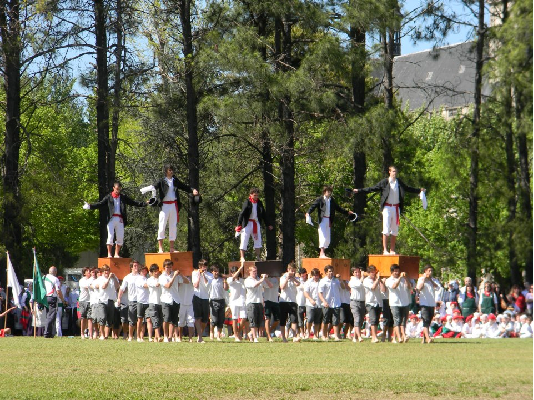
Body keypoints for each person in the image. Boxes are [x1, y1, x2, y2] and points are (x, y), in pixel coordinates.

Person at [353, 166, 425, 254]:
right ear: (389, 172)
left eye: (396, 172)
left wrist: (419, 190)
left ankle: (392, 250)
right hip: (387, 207)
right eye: (393, 171)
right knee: (386, 228)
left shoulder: (399, 182)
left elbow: (408, 188)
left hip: (396, 208)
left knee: (394, 229)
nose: (395, 173)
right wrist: (359, 190)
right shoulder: (385, 182)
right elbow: (372, 188)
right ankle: (385, 250)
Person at [143, 164, 199, 253]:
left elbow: (184, 186)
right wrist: (148, 194)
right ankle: (160, 248)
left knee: (173, 226)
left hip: (173, 205)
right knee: (162, 226)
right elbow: (154, 187)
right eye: (170, 170)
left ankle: (172, 248)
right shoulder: (162, 181)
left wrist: (192, 190)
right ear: (166, 171)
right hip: (164, 206)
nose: (171, 171)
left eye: (172, 170)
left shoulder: (175, 180)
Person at [84, 181, 148, 258]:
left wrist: (144, 203)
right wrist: (90, 206)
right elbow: (100, 204)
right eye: (116, 189)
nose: (118, 191)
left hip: (120, 219)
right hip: (111, 219)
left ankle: (117, 254)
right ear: (113, 188)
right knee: (110, 236)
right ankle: (109, 254)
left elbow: (133, 202)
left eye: (119, 189)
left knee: (120, 237)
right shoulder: (109, 197)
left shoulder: (123, 197)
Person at [305, 186, 355, 258]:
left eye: (330, 191)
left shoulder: (331, 200)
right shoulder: (320, 199)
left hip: (328, 220)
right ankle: (321, 253)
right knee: (322, 236)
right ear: (324, 191)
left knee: (328, 238)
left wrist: (347, 212)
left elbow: (338, 208)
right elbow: (313, 206)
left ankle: (323, 252)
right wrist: (308, 212)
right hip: (322, 220)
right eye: (328, 191)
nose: (329, 193)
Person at [235, 187, 273, 261]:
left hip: (255, 223)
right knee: (244, 239)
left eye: (257, 195)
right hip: (247, 223)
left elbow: (264, 214)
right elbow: (241, 214)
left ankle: (258, 257)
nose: (256, 197)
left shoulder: (259, 203)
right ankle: (242, 257)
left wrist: (268, 224)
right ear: (251, 195)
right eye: (255, 195)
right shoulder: (247, 202)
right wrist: (239, 225)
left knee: (258, 240)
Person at [244, 266, 272, 342]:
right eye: (253, 271)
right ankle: (255, 337)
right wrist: (262, 280)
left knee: (258, 321)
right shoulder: (248, 280)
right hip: (251, 302)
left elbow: (270, 286)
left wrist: (265, 278)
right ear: (249, 272)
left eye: (256, 271)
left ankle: (251, 334)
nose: (255, 273)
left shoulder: (259, 279)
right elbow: (254, 285)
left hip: (259, 302)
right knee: (253, 320)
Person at [385, 264, 412, 343]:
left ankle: (402, 337)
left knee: (403, 321)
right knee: (397, 320)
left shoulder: (404, 279)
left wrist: (406, 278)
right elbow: (394, 286)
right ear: (392, 272)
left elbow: (409, 287)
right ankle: (399, 337)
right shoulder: (389, 280)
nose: (397, 273)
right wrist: (400, 278)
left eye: (398, 271)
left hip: (405, 302)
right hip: (395, 303)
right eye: (395, 271)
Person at [159, 259, 184, 342]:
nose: (169, 269)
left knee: (174, 320)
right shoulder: (162, 277)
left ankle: (171, 336)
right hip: (166, 300)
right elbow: (168, 285)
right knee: (166, 318)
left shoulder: (175, 275)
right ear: (164, 268)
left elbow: (186, 282)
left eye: (170, 267)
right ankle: (165, 336)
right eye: (167, 267)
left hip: (175, 299)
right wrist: (174, 276)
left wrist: (181, 275)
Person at [92, 265, 119, 340]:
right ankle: (102, 335)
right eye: (105, 271)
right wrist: (109, 278)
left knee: (109, 320)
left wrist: (114, 279)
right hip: (102, 300)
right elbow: (104, 286)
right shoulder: (100, 279)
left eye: (108, 270)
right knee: (102, 318)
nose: (107, 272)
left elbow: (117, 287)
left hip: (110, 300)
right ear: (103, 272)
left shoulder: (113, 278)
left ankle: (106, 336)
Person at [318, 265, 344, 341]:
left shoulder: (336, 280)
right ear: (326, 272)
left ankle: (336, 336)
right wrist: (324, 301)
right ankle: (324, 335)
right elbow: (320, 293)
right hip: (327, 303)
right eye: (329, 271)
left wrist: (340, 280)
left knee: (336, 321)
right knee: (325, 320)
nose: (331, 273)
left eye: (332, 271)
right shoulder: (323, 281)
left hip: (336, 303)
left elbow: (342, 287)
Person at [117, 260, 141, 342]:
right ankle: (130, 336)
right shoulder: (127, 277)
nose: (136, 267)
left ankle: (137, 336)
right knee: (132, 320)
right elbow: (122, 288)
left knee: (140, 319)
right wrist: (119, 298)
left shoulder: (141, 277)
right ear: (131, 267)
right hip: (132, 300)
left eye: (137, 265)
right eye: (134, 266)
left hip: (141, 300)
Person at [279, 262, 301, 343]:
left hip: (293, 301)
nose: (293, 272)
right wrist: (287, 279)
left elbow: (298, 284)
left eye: (294, 271)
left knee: (294, 319)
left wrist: (293, 278)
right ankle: (284, 337)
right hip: (283, 301)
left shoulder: (296, 278)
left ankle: (294, 336)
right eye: (291, 270)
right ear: (288, 270)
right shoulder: (282, 277)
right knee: (283, 320)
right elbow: (282, 287)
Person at [43, 266, 68, 338]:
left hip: (45, 298)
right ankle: (47, 333)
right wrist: (63, 300)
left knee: (48, 315)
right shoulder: (55, 279)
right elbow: (58, 291)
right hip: (52, 297)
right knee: (51, 316)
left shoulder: (44, 278)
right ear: (55, 272)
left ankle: (49, 332)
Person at [416, 264, 438, 344]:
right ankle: (428, 338)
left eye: (431, 271)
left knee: (429, 321)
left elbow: (438, 287)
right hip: (424, 303)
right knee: (425, 320)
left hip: (431, 303)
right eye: (429, 270)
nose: (430, 272)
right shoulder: (421, 279)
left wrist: (431, 280)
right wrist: (424, 279)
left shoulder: (434, 280)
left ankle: (424, 339)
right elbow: (419, 288)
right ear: (425, 271)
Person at [192, 260, 212, 343]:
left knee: (205, 320)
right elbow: (195, 285)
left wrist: (203, 275)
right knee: (197, 318)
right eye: (202, 266)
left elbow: (207, 285)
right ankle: (200, 337)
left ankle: (199, 334)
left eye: (205, 266)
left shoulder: (210, 275)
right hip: (196, 296)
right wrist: (199, 275)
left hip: (205, 298)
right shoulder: (194, 273)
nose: (203, 268)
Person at [363, 265, 384, 343]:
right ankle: (374, 337)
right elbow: (372, 287)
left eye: (374, 272)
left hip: (378, 302)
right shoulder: (366, 280)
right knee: (373, 319)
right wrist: (377, 279)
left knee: (377, 320)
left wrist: (380, 281)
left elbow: (383, 290)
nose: (374, 274)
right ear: (368, 273)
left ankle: (374, 337)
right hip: (370, 302)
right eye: (372, 272)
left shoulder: (377, 280)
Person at [227, 264, 248, 342]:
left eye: (235, 272)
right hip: (234, 301)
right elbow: (232, 278)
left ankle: (238, 333)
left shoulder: (242, 281)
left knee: (244, 318)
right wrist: (241, 267)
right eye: (233, 272)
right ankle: (236, 335)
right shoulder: (230, 279)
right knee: (235, 319)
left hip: (242, 301)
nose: (234, 274)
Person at [207, 265, 228, 341]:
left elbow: (226, 288)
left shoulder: (221, 279)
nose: (216, 272)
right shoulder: (210, 279)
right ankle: (211, 333)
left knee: (221, 319)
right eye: (215, 271)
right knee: (214, 319)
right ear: (212, 272)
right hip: (213, 300)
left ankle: (218, 335)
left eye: (217, 271)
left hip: (221, 300)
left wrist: (225, 280)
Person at [304, 268, 322, 340]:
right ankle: (307, 332)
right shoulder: (308, 282)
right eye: (314, 275)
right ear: (312, 275)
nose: (316, 277)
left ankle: (315, 334)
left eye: (317, 275)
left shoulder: (321, 282)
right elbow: (305, 293)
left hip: (319, 303)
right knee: (310, 318)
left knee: (317, 320)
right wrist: (310, 299)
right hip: (310, 303)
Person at [348, 266, 366, 343]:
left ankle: (355, 337)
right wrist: (362, 277)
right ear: (353, 273)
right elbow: (358, 285)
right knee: (357, 318)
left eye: (358, 272)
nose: (357, 274)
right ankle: (359, 337)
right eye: (356, 272)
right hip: (354, 302)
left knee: (361, 320)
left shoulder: (363, 280)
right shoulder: (352, 281)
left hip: (362, 302)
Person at [263, 272, 280, 342]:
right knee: (268, 318)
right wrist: (265, 278)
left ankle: (268, 331)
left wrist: (278, 277)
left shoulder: (276, 278)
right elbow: (269, 286)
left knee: (277, 320)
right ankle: (269, 336)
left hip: (275, 300)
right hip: (267, 300)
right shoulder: (264, 279)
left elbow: (278, 285)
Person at [146, 264, 162, 342]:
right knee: (155, 320)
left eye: (157, 271)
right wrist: (162, 278)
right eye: (154, 271)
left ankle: (156, 338)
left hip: (160, 302)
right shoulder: (149, 280)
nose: (156, 273)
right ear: (151, 272)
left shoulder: (160, 278)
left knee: (159, 320)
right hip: (153, 302)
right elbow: (157, 285)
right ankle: (158, 337)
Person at [135, 266, 150, 342]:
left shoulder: (147, 279)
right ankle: (138, 336)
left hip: (148, 301)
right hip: (140, 301)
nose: (144, 272)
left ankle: (142, 336)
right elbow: (145, 286)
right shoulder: (138, 279)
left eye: (145, 271)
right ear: (140, 271)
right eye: (143, 271)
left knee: (147, 320)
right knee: (140, 320)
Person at [78, 268, 92, 340]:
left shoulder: (92, 279)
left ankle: (90, 334)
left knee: (90, 318)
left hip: (90, 301)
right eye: (88, 271)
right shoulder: (82, 280)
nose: (90, 272)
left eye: (90, 271)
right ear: (84, 273)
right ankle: (82, 333)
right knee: (83, 318)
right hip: (83, 301)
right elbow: (87, 287)